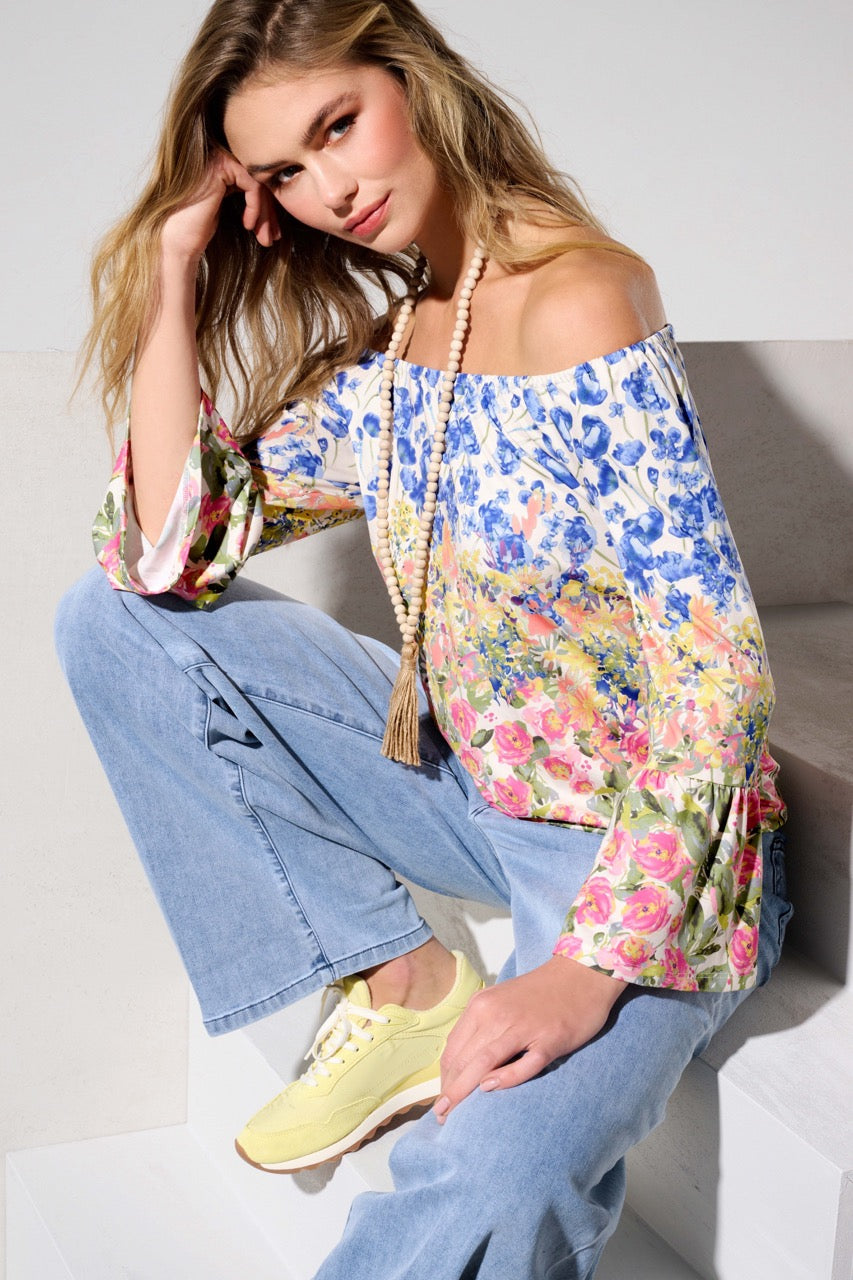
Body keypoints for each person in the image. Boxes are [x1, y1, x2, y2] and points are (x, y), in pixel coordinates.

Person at [54, 1, 792, 1275]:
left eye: (339, 125)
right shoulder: (403, 343)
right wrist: (175, 271)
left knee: (505, 1171)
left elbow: (717, 676)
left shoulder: (582, 301)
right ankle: (400, 986)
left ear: (411, 75)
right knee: (108, 618)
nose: (331, 189)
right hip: (469, 793)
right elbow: (167, 556)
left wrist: (587, 969)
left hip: (641, 850)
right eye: (286, 170)